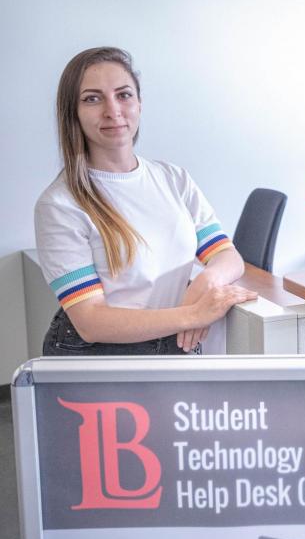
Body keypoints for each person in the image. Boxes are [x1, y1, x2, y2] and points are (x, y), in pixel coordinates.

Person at [35, 47, 256, 356]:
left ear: (139, 103)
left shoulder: (174, 178)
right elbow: (90, 321)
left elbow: (227, 255)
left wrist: (207, 281)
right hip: (98, 355)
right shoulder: (60, 204)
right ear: (73, 112)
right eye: (92, 98)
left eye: (123, 95)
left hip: (173, 340)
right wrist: (193, 314)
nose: (113, 111)